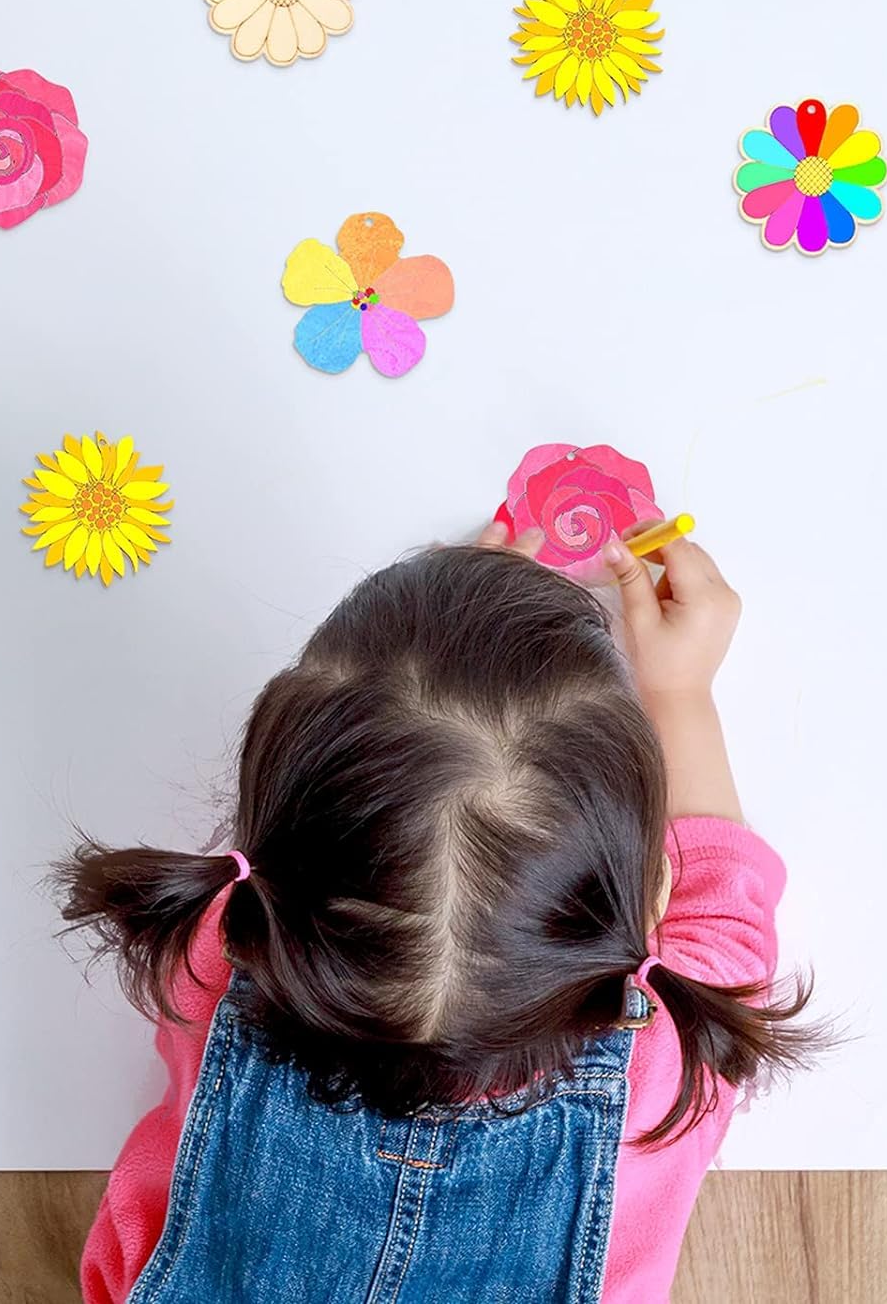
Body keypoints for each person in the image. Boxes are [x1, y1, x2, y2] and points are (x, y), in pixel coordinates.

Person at [59, 522, 816, 1302]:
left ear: (265, 845)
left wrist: (467, 617)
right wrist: (681, 692)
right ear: (652, 888)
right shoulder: (662, 1065)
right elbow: (726, 916)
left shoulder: (215, 948)